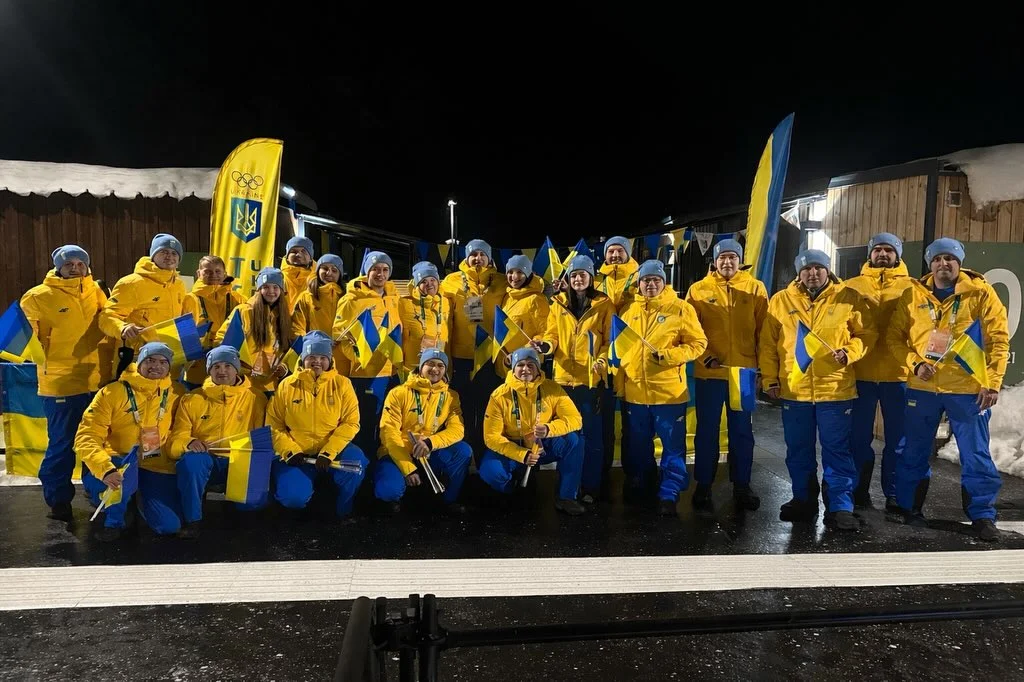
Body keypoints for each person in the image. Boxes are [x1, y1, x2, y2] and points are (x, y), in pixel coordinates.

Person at [885, 238, 1009, 541]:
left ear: (959, 262)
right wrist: (915, 364)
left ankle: (982, 515)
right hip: (923, 387)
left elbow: (998, 339)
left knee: (975, 453)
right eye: (938, 259)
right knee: (912, 450)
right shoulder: (913, 294)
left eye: (950, 258)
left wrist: (992, 383)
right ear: (930, 264)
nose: (944, 264)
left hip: (967, 388)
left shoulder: (980, 292)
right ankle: (910, 508)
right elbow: (895, 338)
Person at [759, 249, 875, 531]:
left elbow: (867, 334)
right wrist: (770, 380)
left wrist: (849, 352)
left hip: (835, 390)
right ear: (799, 273)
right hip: (795, 390)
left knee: (837, 450)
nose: (813, 274)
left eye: (818, 268)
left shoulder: (848, 297)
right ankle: (803, 499)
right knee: (798, 450)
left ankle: (840, 507)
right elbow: (768, 345)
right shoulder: (781, 300)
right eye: (807, 269)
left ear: (828, 270)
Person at [20, 245, 109, 522]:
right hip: (61, 385)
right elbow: (23, 341)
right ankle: (58, 499)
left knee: (97, 444)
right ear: (58, 267)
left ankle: (97, 494)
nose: (75, 268)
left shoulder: (98, 291)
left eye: (80, 263)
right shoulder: (37, 296)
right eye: (68, 263)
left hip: (98, 381)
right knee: (62, 445)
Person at [617, 260, 707, 515]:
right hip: (635, 393)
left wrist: (669, 356)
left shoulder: (681, 308)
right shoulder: (629, 311)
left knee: (672, 446)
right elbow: (620, 349)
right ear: (639, 283)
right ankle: (643, 483)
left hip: (668, 394)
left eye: (656, 280)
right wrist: (621, 385)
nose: (651, 284)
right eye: (646, 280)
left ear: (664, 282)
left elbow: (698, 343)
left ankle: (670, 491)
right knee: (638, 444)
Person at [685, 239, 767, 515]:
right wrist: (706, 357)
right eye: (723, 258)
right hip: (710, 373)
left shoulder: (755, 288)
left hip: (743, 374)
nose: (727, 262)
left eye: (733, 257)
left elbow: (764, 332)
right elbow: (689, 331)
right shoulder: (698, 290)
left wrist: (762, 369)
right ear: (715, 261)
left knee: (742, 432)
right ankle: (704, 484)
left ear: (740, 260)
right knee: (707, 431)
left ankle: (742, 485)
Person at [74, 342, 183, 541]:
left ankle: (138, 497)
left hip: (155, 464)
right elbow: (86, 436)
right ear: (139, 363)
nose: (156, 366)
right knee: (116, 494)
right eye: (150, 360)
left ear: (169, 367)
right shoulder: (112, 392)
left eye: (163, 362)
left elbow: (183, 430)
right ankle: (114, 520)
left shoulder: (178, 393)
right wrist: (105, 468)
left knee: (169, 525)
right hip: (118, 461)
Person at [843, 233, 915, 511]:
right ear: (870, 254)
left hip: (899, 375)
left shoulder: (913, 287)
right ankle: (858, 491)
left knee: (899, 440)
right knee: (858, 438)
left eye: (889, 250)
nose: (883, 254)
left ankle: (895, 494)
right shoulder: (851, 286)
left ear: (898, 255)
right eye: (878, 250)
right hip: (860, 372)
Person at [533, 255, 612, 504]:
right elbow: (552, 334)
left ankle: (590, 486)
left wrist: (602, 362)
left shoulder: (604, 304)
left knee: (591, 437)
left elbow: (609, 341)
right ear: (568, 278)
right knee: (568, 437)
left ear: (591, 278)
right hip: (562, 382)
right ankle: (568, 488)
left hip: (590, 381)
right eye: (574, 275)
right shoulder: (558, 303)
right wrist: (546, 346)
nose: (578, 279)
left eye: (582, 275)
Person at [266, 331, 368, 521]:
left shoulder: (342, 384)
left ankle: (343, 511)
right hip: (298, 453)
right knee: (293, 497)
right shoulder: (287, 385)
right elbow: (274, 425)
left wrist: (328, 452)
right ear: (303, 358)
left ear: (330, 359)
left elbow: (351, 422)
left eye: (322, 357)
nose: (317, 362)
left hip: (332, 450)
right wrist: (290, 451)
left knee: (356, 465)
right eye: (311, 357)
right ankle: (297, 515)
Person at [169, 346, 269, 537]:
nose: (222, 371)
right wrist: (188, 443)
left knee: (252, 505)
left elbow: (260, 440)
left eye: (227, 366)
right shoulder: (192, 398)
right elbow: (176, 439)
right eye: (216, 366)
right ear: (209, 370)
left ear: (236, 368)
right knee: (191, 463)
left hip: (240, 460)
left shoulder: (256, 397)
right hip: (207, 460)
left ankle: (238, 503)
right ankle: (193, 520)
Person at [480, 347, 587, 515]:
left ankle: (566, 497)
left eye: (531, 365)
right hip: (513, 448)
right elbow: (491, 437)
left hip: (542, 446)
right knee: (490, 471)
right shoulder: (499, 395)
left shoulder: (552, 389)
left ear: (538, 368)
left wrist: (549, 429)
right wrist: (522, 455)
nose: (525, 369)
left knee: (574, 441)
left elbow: (575, 419)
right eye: (520, 365)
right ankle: (514, 489)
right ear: (513, 369)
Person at [375, 349, 471, 513]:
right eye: (430, 364)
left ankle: (449, 500)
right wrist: (408, 468)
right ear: (420, 367)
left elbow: (457, 429)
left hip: (428, 451)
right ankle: (393, 501)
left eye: (440, 365)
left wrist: (430, 442)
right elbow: (388, 433)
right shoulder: (398, 393)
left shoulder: (451, 396)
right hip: (399, 451)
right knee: (388, 489)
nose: (435, 369)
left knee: (463, 451)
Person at [440, 239, 506, 454]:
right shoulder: (451, 281)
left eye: (482, 254)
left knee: (488, 407)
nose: (478, 259)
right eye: (473, 255)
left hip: (489, 355)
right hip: (462, 356)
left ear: (489, 258)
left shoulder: (502, 281)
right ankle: (466, 454)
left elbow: (529, 286)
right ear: (466, 258)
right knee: (464, 407)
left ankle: (485, 453)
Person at [333, 250, 402, 456]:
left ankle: (381, 463)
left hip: (390, 372)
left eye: (385, 269)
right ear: (367, 272)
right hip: (364, 373)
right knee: (365, 423)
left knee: (385, 423)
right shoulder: (351, 299)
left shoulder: (394, 298)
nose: (380, 274)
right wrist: (358, 357)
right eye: (375, 269)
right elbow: (340, 335)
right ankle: (363, 464)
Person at [99, 233, 187, 372]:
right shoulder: (132, 283)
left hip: (168, 358)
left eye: (174, 253)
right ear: (153, 255)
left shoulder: (179, 284)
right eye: (164, 252)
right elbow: (106, 316)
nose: (169, 256)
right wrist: (122, 328)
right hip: (138, 358)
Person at [595, 236, 640, 487]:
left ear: (628, 253)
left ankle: (633, 473)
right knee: (604, 421)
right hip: (605, 355)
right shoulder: (596, 278)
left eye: (619, 251)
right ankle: (602, 470)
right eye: (610, 251)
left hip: (631, 357)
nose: (614, 255)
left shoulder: (640, 277)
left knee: (632, 421)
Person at [215, 267, 292, 394]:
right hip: (245, 382)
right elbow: (223, 341)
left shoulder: (284, 315)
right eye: (266, 287)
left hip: (271, 385)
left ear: (281, 290)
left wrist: (284, 368)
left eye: (275, 287)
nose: (271, 291)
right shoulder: (244, 311)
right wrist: (240, 366)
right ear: (259, 289)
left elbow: (286, 348)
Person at [182, 255, 246, 389]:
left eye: (217, 271)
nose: (213, 275)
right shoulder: (188, 299)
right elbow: (183, 336)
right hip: (197, 370)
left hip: (229, 368)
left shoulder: (238, 299)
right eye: (208, 271)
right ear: (198, 273)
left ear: (225, 274)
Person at [291, 253, 348, 373]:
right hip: (315, 357)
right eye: (325, 268)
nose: (329, 273)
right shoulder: (307, 297)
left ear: (340, 274)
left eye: (334, 270)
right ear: (318, 271)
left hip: (343, 356)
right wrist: (312, 343)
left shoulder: (347, 297)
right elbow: (297, 327)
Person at [496, 255, 549, 376]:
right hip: (506, 364)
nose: (514, 277)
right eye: (510, 272)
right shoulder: (507, 297)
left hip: (526, 366)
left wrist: (521, 354)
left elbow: (545, 332)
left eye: (520, 272)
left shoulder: (536, 299)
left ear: (528, 274)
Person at [399, 261, 451, 372]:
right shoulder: (404, 303)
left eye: (433, 280)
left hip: (439, 365)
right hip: (412, 366)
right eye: (424, 281)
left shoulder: (446, 302)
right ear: (417, 285)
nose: (429, 284)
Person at [281, 235, 317, 314]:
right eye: (293, 251)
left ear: (311, 257)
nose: (298, 255)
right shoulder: (277, 278)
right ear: (287, 257)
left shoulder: (318, 281)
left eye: (303, 251)